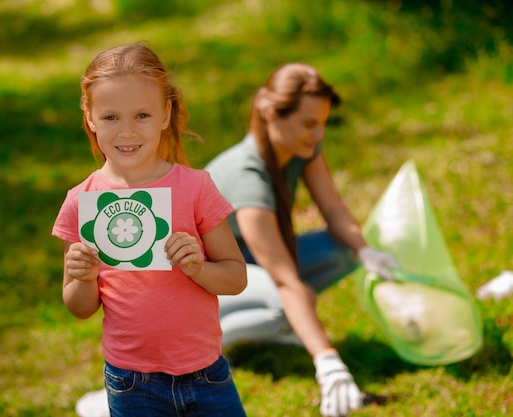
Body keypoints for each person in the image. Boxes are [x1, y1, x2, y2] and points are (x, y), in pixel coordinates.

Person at [52, 43, 248, 417]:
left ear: (165, 114)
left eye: (142, 114)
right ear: (90, 117)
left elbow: (236, 277)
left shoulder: (195, 188)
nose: (127, 131)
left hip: (206, 374)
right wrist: (83, 277)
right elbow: (80, 307)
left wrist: (199, 269)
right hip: (130, 382)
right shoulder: (81, 201)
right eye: (111, 117)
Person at [206, 62, 399, 417]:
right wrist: (329, 363)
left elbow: (334, 208)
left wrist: (365, 249)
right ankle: (207, 347)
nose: (318, 133)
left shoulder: (301, 147)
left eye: (323, 122)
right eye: (309, 123)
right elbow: (284, 279)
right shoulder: (247, 179)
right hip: (204, 285)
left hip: (248, 263)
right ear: (272, 115)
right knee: (282, 298)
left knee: (342, 250)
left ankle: (285, 321)